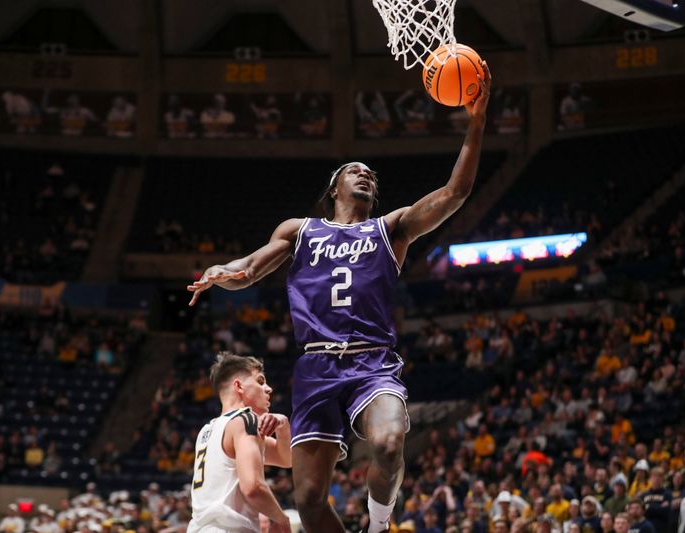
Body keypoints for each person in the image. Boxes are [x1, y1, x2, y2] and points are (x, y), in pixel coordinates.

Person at [187, 62, 492, 533]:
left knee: (390, 442)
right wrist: (218, 272)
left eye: (371, 173)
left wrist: (476, 120)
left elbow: (456, 192)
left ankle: (377, 525)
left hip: (372, 362)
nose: (366, 175)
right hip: (315, 368)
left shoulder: (389, 229)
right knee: (308, 501)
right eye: (355, 170)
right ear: (335, 187)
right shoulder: (300, 231)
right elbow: (248, 269)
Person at [186, 353, 291, 533]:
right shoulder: (246, 420)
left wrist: (282, 425)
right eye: (260, 381)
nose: (268, 388)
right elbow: (253, 487)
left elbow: (286, 459)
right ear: (239, 386)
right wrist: (282, 519)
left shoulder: (207, 430)